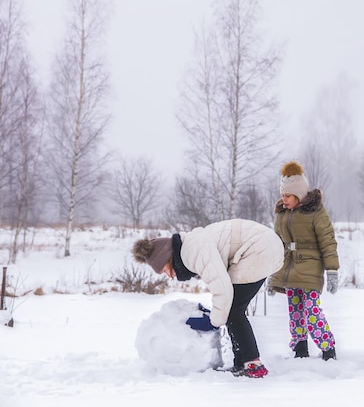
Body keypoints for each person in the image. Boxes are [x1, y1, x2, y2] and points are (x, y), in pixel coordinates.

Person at [132, 218, 284, 378]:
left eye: (165, 270)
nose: (169, 276)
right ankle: (242, 363)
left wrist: (214, 321)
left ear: (168, 258)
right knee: (233, 309)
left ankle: (253, 365)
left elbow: (222, 288)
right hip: (263, 247)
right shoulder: (191, 248)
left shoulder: (193, 252)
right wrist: (219, 313)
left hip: (259, 248)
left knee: (233, 311)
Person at [267, 160, 340, 361]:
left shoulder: (316, 212)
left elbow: (328, 241)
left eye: (288, 195)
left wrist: (332, 270)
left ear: (299, 194)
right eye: (282, 195)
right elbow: (277, 244)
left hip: (310, 269)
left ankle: (328, 349)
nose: (284, 199)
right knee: (296, 313)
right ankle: (300, 349)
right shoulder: (282, 214)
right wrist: (272, 275)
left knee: (312, 312)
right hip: (289, 269)